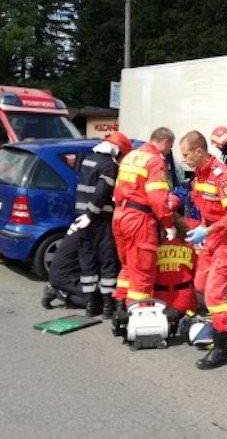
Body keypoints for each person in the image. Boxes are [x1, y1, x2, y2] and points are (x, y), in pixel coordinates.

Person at [180, 131, 227, 369]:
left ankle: (221, 349)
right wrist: (202, 231)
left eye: (186, 154)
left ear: (199, 151)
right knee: (200, 285)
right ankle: (226, 317)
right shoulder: (199, 176)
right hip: (211, 240)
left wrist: (206, 232)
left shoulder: (223, 177)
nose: (183, 159)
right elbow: (207, 211)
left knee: (214, 295)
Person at [112, 127, 176, 312]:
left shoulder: (131, 156)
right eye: (169, 147)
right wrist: (168, 223)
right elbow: (157, 197)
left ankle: (120, 310)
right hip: (139, 219)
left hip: (120, 215)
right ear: (165, 141)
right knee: (142, 272)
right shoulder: (155, 161)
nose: (168, 151)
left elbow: (117, 190)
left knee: (127, 268)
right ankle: (139, 319)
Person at [72, 132, 132, 318]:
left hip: (80, 218)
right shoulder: (109, 166)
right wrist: (91, 214)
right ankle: (107, 306)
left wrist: (84, 215)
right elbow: (101, 192)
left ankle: (91, 304)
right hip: (100, 220)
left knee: (87, 261)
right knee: (107, 261)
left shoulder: (86, 159)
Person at [41, 230, 92, 310]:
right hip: (66, 276)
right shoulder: (87, 236)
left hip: (61, 273)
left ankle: (61, 290)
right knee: (94, 300)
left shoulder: (79, 228)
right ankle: (59, 293)